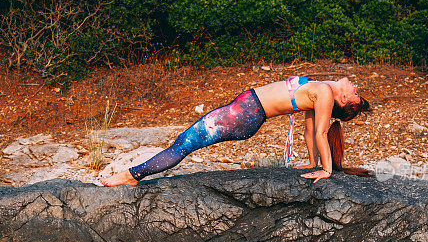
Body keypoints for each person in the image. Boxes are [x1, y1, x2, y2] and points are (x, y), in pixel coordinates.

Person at [99, 75, 372, 186]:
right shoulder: (321, 88)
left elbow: (320, 132)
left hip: (243, 116)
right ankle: (135, 174)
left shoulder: (324, 93)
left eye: (356, 94)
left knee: (184, 143)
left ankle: (133, 175)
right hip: (243, 112)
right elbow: (308, 132)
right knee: (184, 141)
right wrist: (312, 162)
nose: (354, 86)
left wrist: (325, 169)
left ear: (344, 100)